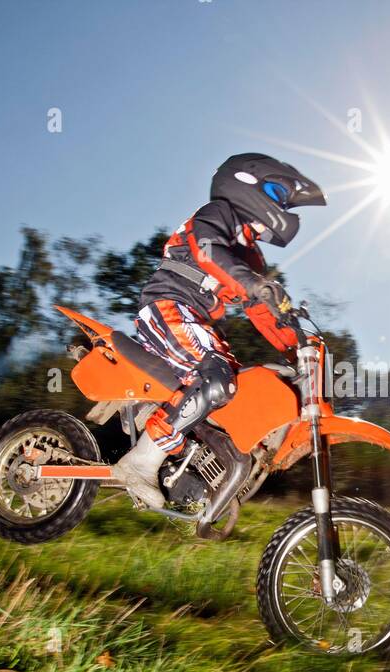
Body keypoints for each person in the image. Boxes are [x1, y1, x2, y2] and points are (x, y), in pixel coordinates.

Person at [111, 153, 326, 508]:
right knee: (218, 378)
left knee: (234, 386)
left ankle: (194, 465)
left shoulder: (250, 254)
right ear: (245, 184)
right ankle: (141, 461)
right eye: (277, 194)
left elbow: (260, 310)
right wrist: (253, 284)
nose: (282, 208)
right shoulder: (217, 215)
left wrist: (297, 343)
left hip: (194, 320)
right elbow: (210, 253)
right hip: (170, 306)